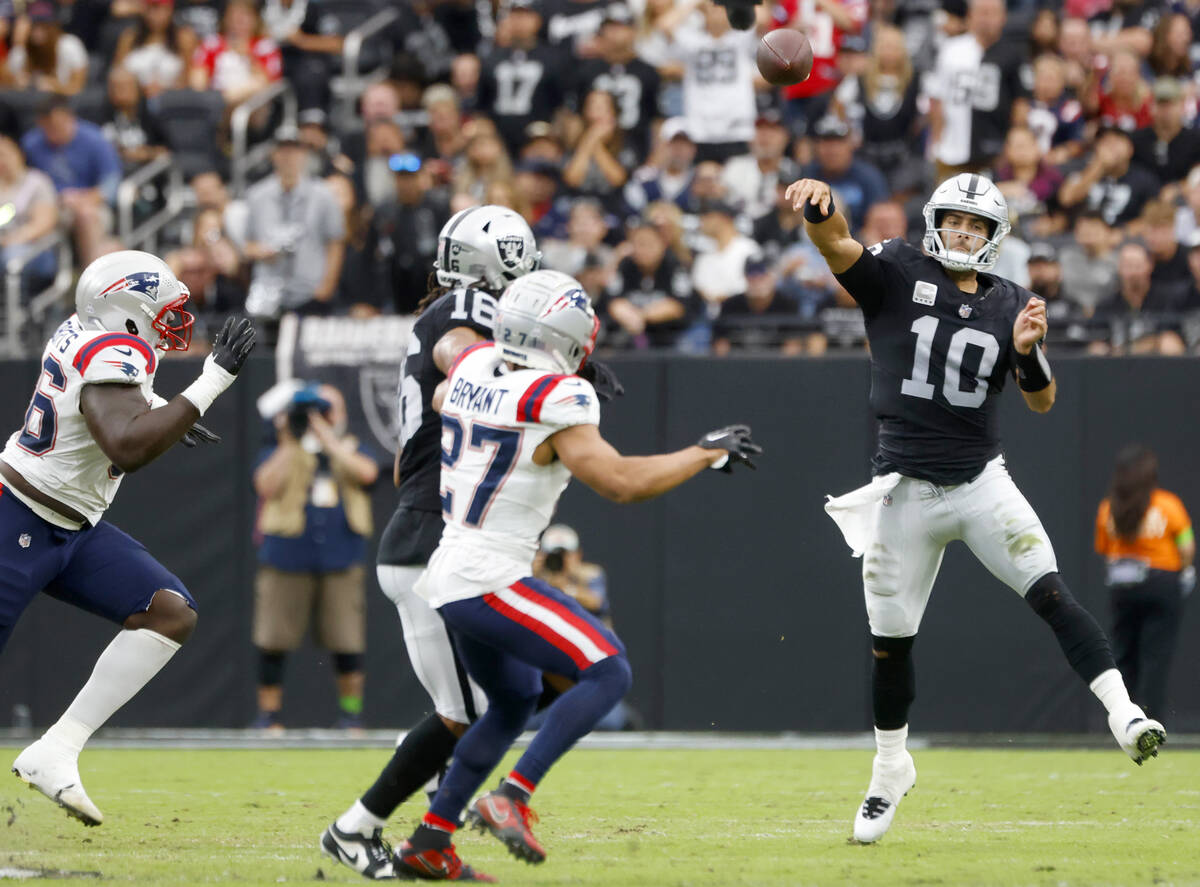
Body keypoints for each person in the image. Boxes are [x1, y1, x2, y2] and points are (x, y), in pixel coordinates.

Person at [786, 171, 1166, 845]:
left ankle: (1124, 714)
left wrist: (1027, 353)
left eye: (977, 225)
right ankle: (889, 766)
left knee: (1050, 590)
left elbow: (1041, 399)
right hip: (902, 489)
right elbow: (837, 246)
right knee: (889, 643)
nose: (963, 233)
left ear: (994, 237)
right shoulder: (900, 269)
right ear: (937, 222)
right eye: (955, 220)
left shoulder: (1011, 302)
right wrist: (820, 210)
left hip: (979, 482)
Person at [392, 268, 760, 880]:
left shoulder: (470, 368)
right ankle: (512, 795)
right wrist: (702, 452)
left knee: (513, 702)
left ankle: (429, 842)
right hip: (492, 573)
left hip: (448, 568)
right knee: (608, 669)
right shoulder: (558, 397)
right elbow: (622, 483)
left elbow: (447, 361)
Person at [321, 205, 551, 879]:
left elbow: (402, 459)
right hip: (427, 540)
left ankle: (426, 816)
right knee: (467, 710)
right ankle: (360, 829)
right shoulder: (463, 318)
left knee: (485, 702)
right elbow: (461, 361)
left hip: (430, 531)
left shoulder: (458, 313)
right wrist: (539, 376)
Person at [3, 250, 255, 826]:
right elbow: (125, 445)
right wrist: (210, 383)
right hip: (16, 518)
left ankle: (57, 750)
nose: (172, 320)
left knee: (168, 611)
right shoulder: (116, 348)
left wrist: (164, 408)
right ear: (127, 312)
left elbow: (105, 408)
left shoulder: (83, 330)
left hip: (71, 525)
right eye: (162, 309)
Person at [250, 382, 380, 731]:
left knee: (347, 640)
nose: (318, 417)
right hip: (286, 554)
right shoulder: (280, 448)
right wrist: (291, 440)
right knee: (274, 638)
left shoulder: (351, 447)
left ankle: (351, 717)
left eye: (327, 409)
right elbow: (265, 485)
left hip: (341, 557)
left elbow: (368, 474)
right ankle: (269, 718)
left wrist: (328, 439)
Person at [1095, 445, 1194, 721]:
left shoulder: (1107, 509)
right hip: (1162, 584)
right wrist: (1185, 573)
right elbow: (1186, 546)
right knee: (1155, 657)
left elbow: (1104, 550)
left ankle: (1123, 722)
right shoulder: (1167, 504)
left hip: (1122, 588)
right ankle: (1152, 722)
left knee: (1124, 656)